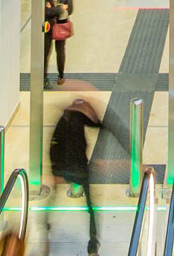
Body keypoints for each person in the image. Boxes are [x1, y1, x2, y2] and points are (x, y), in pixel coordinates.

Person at [45, 95, 124, 255]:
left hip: (64, 168)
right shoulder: (77, 117)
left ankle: (45, 226)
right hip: (78, 169)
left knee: (53, 199)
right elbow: (101, 125)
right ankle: (93, 245)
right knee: (91, 207)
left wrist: (54, 169)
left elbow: (53, 146)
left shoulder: (66, 117)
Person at [43, 0, 74, 85]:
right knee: (45, 52)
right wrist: (61, 8)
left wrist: (53, 9)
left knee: (60, 51)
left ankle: (61, 75)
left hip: (61, 25)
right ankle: (43, 78)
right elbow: (46, 12)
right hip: (49, 25)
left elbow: (70, 9)